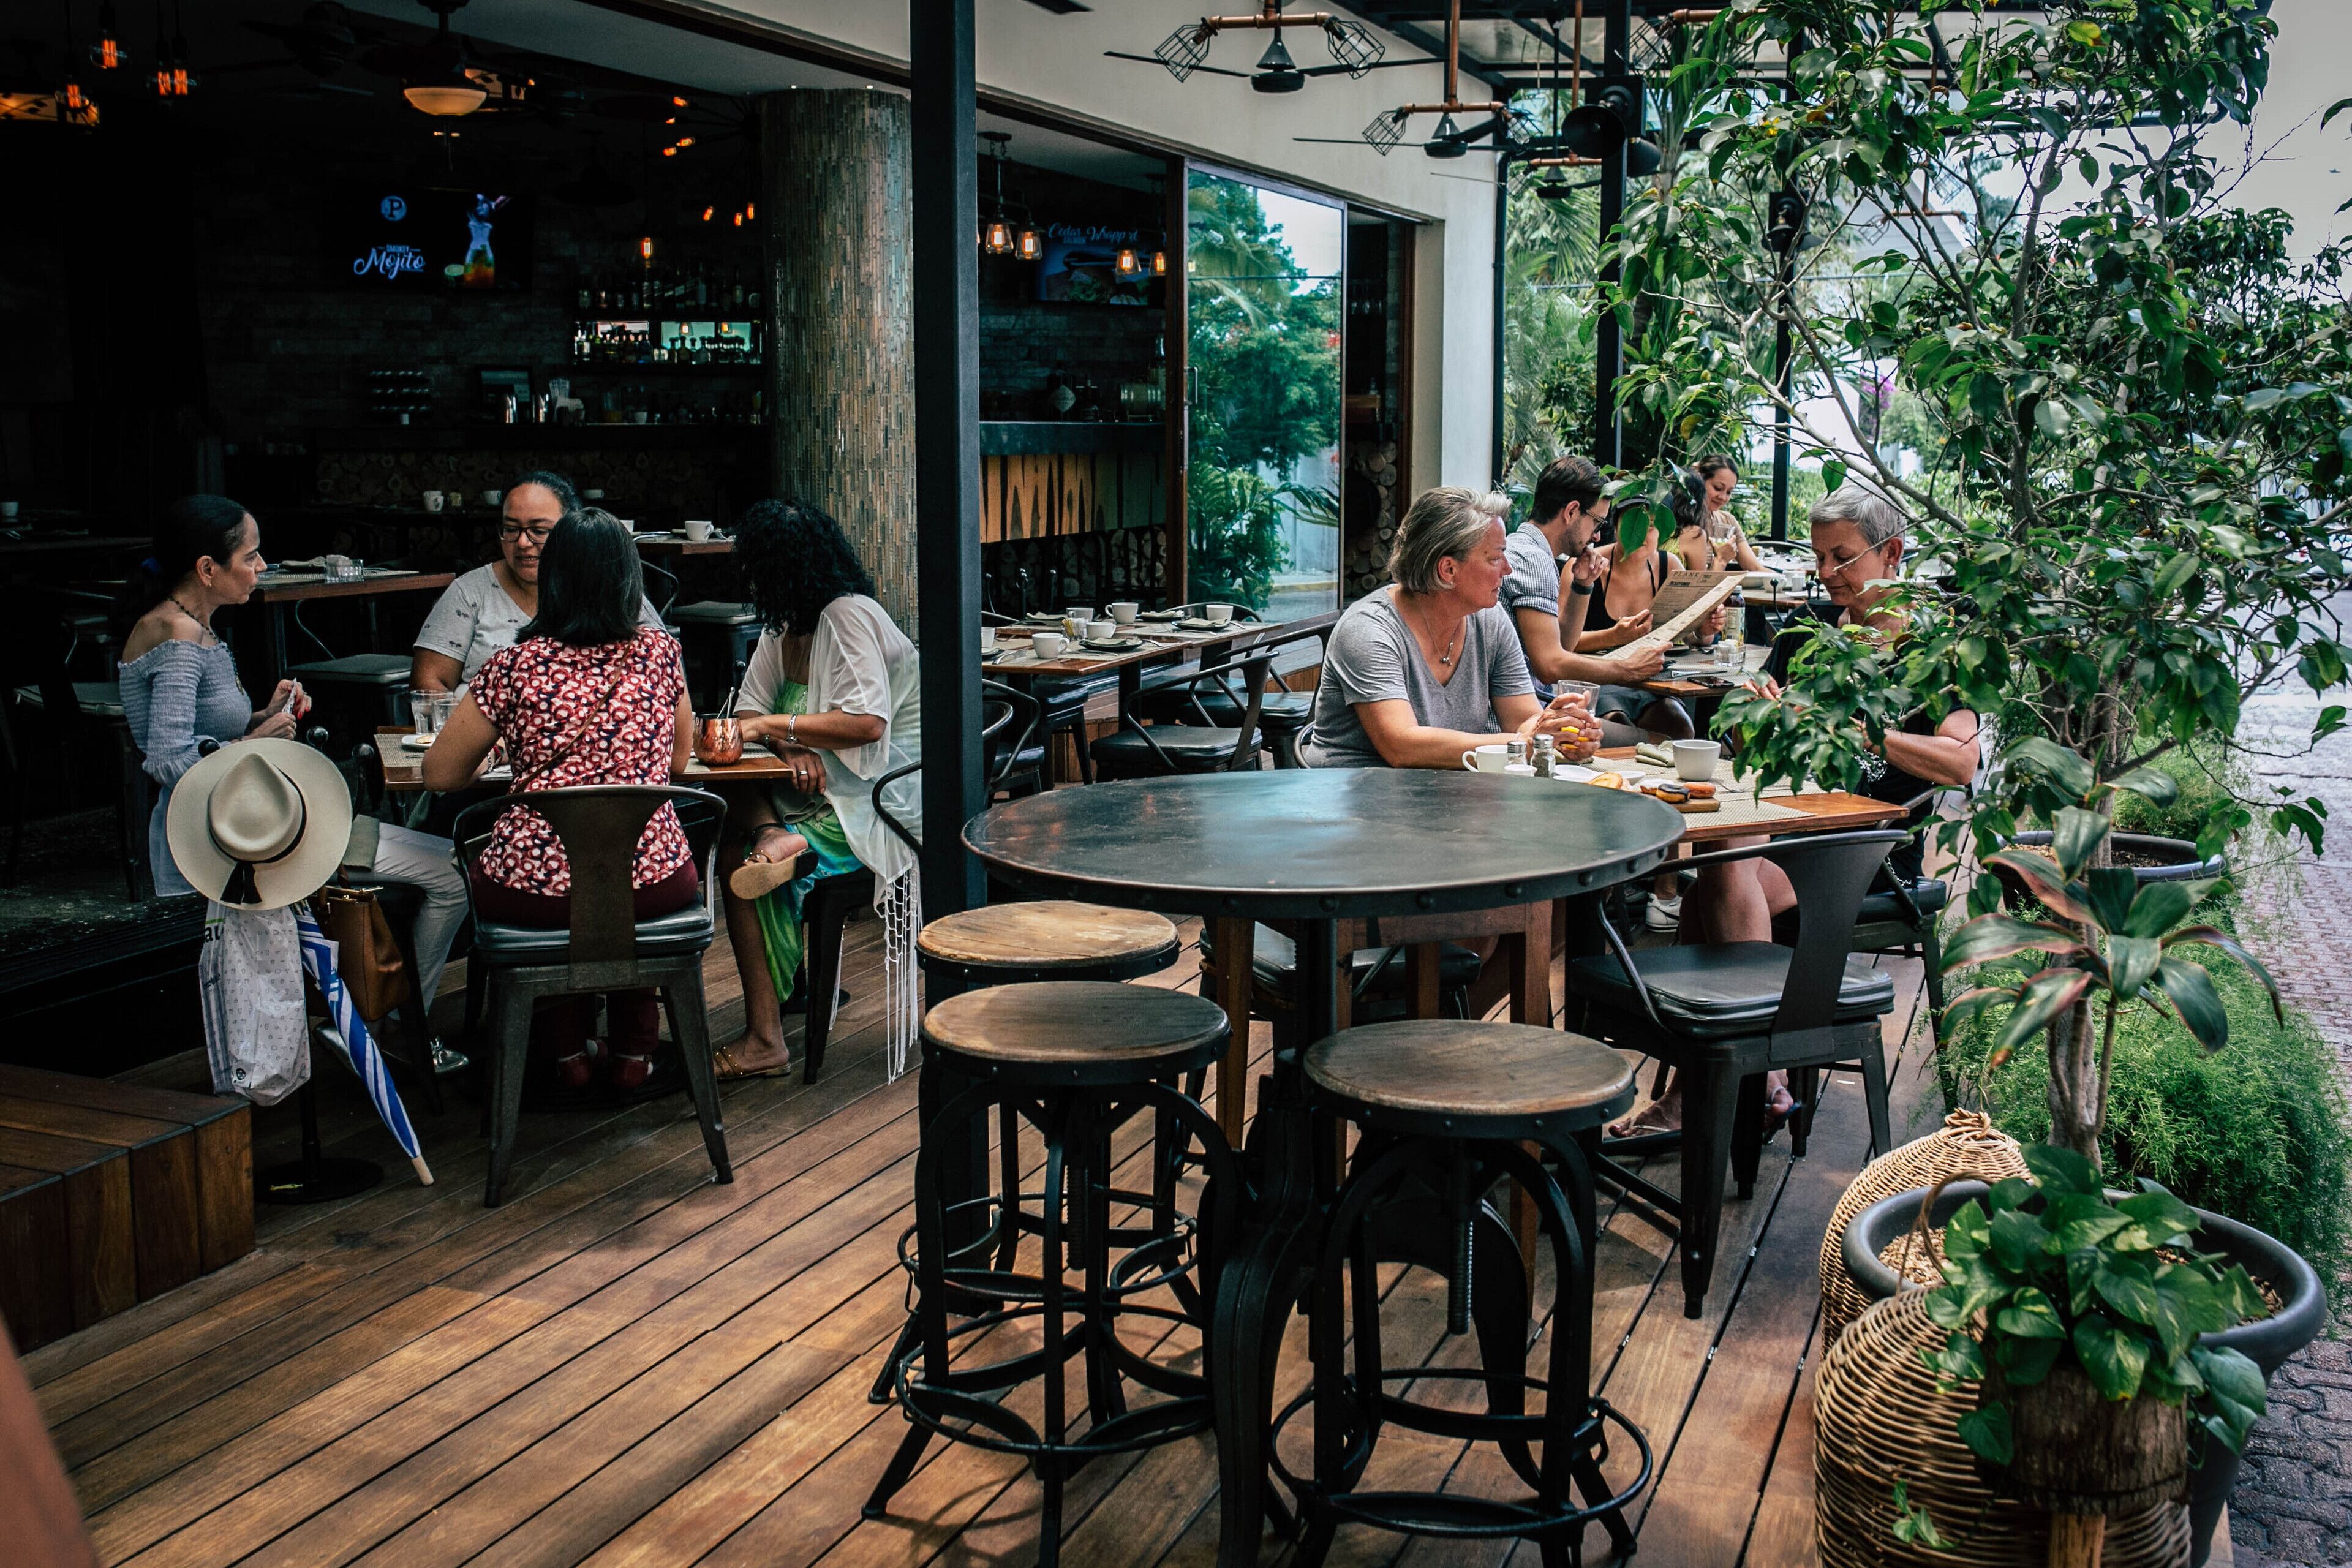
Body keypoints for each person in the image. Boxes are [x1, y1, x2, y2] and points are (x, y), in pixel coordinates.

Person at [1610, 482, 1981, 1137]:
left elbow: (1960, 761)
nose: (1825, 573)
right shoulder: (1804, 639)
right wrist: (1758, 715)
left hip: (1867, 848)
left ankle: (1751, 1083)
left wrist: (1864, 729)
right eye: (1818, 556)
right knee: (1710, 885)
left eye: (1842, 557)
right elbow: (1745, 754)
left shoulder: (1933, 653)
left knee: (1721, 866)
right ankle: (1732, 1089)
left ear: (1891, 553)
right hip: (1788, 825)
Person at [118, 495, 468, 1027]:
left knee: (446, 867)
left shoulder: (197, 626)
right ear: (208, 569)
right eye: (252, 557)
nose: (263, 568)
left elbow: (206, 737)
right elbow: (168, 758)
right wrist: (259, 743)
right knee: (450, 872)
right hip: (230, 840)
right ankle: (395, 1025)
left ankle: (384, 1021)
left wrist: (264, 716)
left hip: (257, 825)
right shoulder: (178, 634)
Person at [423, 511, 698, 1091]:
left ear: (554, 578)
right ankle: (634, 1056)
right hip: (655, 881)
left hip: (534, 891)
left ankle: (566, 1055)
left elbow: (440, 774)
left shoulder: (516, 666)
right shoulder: (661, 654)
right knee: (619, 891)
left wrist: (504, 751)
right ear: (630, 580)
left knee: (540, 881)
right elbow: (677, 763)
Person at [715, 500, 922, 1081]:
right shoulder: (786, 629)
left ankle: (766, 1040)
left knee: (735, 856)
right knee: (726, 800)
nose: (750, 581)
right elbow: (752, 708)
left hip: (879, 799)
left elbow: (867, 723)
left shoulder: (847, 616)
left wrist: (773, 730)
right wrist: (789, 745)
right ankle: (775, 835)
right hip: (814, 790)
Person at [1297, 486, 1597, 770]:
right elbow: (1401, 746)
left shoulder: (1489, 621)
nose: (1508, 568)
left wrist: (1557, 733)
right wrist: (1523, 744)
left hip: (1442, 794)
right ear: (1448, 570)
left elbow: (1525, 719)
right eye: (1495, 558)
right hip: (1351, 799)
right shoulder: (1369, 630)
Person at [409, 470, 665, 694]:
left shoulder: (607, 590)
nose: (522, 542)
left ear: (572, 531)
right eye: (511, 529)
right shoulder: (469, 593)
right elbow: (429, 684)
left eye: (539, 531)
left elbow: (665, 673)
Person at [1501, 453, 1667, 696]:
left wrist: (1583, 585)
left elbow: (1562, 647)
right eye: (1597, 523)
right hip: (1526, 713)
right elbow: (1549, 666)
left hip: (1532, 702)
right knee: (1649, 734)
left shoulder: (1522, 545)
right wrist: (1628, 670)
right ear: (1571, 512)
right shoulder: (1535, 561)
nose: (1598, 537)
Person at [1670, 456, 1767, 575]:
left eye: (1729, 492)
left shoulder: (1727, 521)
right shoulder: (1684, 525)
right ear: (1700, 481)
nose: (1723, 497)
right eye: (1718, 488)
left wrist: (1791, 578)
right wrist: (1721, 560)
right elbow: (1699, 589)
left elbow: (1756, 568)